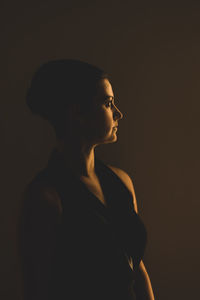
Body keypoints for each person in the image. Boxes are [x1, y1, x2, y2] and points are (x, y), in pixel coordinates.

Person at [19, 59, 155, 300]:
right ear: (77, 113)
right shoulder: (46, 198)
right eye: (108, 103)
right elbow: (39, 289)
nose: (118, 114)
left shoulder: (122, 182)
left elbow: (137, 268)